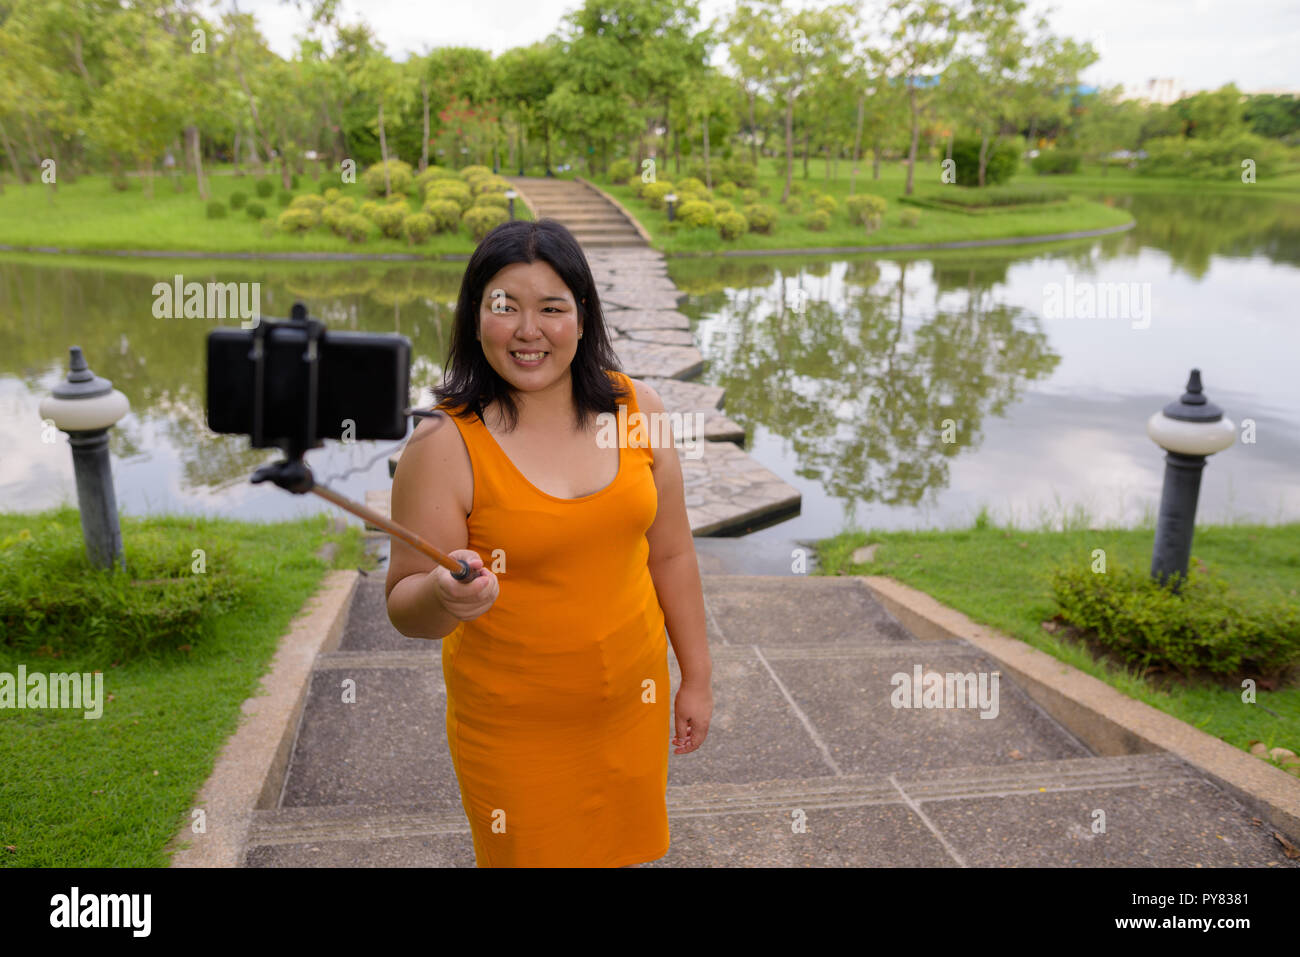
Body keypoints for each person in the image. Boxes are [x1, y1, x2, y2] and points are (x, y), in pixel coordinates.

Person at [385, 218, 713, 867]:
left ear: (584, 317)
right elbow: (403, 602)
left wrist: (696, 676)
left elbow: (670, 552)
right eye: (505, 307)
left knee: (622, 853)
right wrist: (445, 598)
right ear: (475, 317)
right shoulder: (443, 443)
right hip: (515, 731)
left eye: (552, 308)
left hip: (629, 705)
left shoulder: (637, 410)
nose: (528, 330)